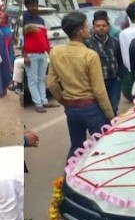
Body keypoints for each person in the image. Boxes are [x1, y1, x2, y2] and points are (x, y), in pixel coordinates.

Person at [47, 12, 115, 162]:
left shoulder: (56, 52)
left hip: (71, 108)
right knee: (102, 144)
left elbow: (51, 83)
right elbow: (99, 90)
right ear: (79, 31)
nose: (89, 28)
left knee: (76, 147)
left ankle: (68, 181)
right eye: (86, 26)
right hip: (90, 106)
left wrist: (64, 101)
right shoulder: (89, 55)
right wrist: (110, 115)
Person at [22, 0, 58, 113]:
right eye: (32, 6)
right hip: (31, 55)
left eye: (36, 5)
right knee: (33, 80)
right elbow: (21, 40)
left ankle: (44, 101)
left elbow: (45, 38)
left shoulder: (40, 20)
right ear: (27, 6)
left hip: (42, 54)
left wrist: (49, 52)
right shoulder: (24, 19)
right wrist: (25, 55)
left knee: (42, 79)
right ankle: (38, 104)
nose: (35, 8)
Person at [85, 11, 124, 116]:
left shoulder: (115, 41)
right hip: (98, 82)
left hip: (114, 80)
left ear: (108, 26)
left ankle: (111, 128)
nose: (101, 28)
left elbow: (120, 60)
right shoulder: (87, 43)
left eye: (103, 25)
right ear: (93, 27)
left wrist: (120, 77)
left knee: (113, 107)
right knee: (100, 109)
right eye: (98, 26)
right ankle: (103, 129)